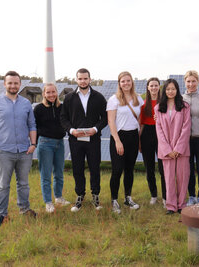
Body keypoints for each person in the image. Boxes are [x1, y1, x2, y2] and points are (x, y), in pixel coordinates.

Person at [0, 71, 37, 226]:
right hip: (3, 152)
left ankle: (24, 209)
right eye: (10, 83)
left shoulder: (26, 103)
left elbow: (32, 125)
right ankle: (2, 214)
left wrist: (33, 144)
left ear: (20, 85)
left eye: (16, 83)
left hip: (24, 151)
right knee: (3, 185)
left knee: (23, 184)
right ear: (4, 84)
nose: (13, 86)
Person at [60, 68, 107, 212]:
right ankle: (80, 195)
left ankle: (95, 195)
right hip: (75, 141)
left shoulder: (99, 97)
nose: (83, 81)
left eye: (85, 78)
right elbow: (63, 118)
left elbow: (105, 118)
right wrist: (72, 131)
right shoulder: (69, 98)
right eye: (80, 79)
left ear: (90, 79)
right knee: (77, 169)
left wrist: (96, 129)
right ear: (76, 80)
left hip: (93, 140)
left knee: (95, 168)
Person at [107, 71, 143, 213]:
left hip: (133, 137)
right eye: (123, 81)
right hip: (119, 137)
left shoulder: (138, 99)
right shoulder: (113, 100)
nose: (126, 83)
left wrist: (139, 140)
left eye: (128, 81)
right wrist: (117, 141)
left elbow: (140, 120)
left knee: (129, 170)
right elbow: (111, 122)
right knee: (117, 170)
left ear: (132, 82)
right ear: (119, 83)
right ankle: (114, 200)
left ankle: (128, 197)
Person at [155, 79, 191, 214]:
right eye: (168, 89)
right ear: (164, 91)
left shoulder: (185, 106)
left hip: (182, 149)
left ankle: (181, 204)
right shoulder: (158, 108)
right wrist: (168, 149)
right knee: (169, 178)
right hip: (166, 150)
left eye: (173, 89)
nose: (170, 91)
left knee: (183, 176)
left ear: (177, 90)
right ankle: (171, 206)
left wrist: (178, 148)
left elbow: (186, 127)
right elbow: (159, 130)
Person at [34, 83, 70, 213]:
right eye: (48, 92)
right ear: (44, 94)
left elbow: (67, 122)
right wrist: (35, 144)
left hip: (59, 143)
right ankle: (48, 202)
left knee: (59, 173)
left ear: (57, 93)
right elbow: (34, 127)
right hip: (45, 144)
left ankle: (59, 197)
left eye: (53, 92)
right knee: (46, 175)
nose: (51, 95)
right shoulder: (38, 109)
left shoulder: (62, 107)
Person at [182, 70, 199, 206]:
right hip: (186, 141)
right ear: (185, 82)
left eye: (193, 81)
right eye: (188, 81)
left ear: (197, 82)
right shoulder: (180, 99)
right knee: (189, 170)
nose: (191, 84)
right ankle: (191, 195)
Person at [139, 77, 166, 207]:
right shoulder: (144, 104)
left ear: (159, 87)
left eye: (156, 85)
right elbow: (142, 124)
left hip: (161, 134)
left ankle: (166, 197)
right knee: (149, 168)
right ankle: (154, 195)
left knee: (163, 169)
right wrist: (139, 141)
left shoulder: (165, 102)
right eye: (151, 86)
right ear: (148, 88)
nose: (154, 88)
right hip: (147, 135)